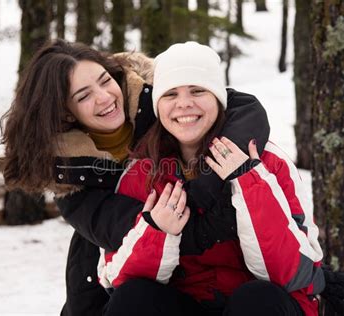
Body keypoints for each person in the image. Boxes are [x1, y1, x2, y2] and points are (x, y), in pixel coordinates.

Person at [0, 39, 271, 316]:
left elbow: (243, 108)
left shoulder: (157, 100)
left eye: (105, 80)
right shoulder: (72, 181)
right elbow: (160, 231)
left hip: (223, 277)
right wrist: (210, 210)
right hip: (131, 287)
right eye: (83, 96)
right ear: (66, 114)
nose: (105, 97)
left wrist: (205, 185)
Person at [94, 41, 325, 316]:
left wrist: (248, 182)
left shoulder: (268, 161)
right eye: (170, 94)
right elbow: (115, 278)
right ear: (158, 105)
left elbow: (294, 274)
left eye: (197, 90)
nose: (184, 104)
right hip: (186, 302)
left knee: (257, 299)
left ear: (218, 98)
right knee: (132, 298)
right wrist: (157, 230)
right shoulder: (140, 172)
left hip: (259, 304)